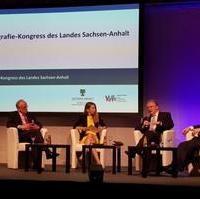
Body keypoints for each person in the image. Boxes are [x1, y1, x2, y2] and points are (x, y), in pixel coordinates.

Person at [7, 99, 58, 169]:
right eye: (24, 107)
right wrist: (22, 126)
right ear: (18, 108)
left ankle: (36, 164)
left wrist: (38, 126)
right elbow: (9, 124)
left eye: (26, 106)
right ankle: (47, 151)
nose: (26, 108)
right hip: (21, 135)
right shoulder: (13, 114)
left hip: (32, 135)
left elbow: (39, 123)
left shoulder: (30, 114)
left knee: (35, 140)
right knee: (35, 134)